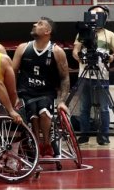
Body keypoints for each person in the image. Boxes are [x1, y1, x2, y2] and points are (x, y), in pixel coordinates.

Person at [12, 17, 70, 157]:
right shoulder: (23, 48)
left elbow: (65, 78)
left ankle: (47, 143)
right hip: (25, 92)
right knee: (33, 113)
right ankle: (37, 145)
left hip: (46, 92)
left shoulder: (57, 51)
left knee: (43, 112)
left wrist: (62, 101)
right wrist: (14, 96)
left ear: (47, 31)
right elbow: (11, 74)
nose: (34, 24)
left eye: (39, 24)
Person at [72, 5, 114, 145]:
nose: (95, 17)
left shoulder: (110, 34)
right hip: (84, 74)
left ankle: (104, 135)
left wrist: (112, 57)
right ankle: (84, 135)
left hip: (102, 74)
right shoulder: (82, 33)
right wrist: (78, 56)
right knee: (84, 107)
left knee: (104, 107)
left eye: (98, 15)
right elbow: (75, 50)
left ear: (104, 17)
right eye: (92, 14)